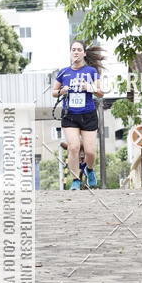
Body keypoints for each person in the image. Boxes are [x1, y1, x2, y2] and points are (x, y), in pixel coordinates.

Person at [52, 40, 105, 190]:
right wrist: (61, 91)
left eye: (79, 49)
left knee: (89, 151)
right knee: (73, 147)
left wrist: (90, 87)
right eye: (73, 49)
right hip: (70, 115)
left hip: (88, 114)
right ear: (70, 53)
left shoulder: (91, 71)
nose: (76, 52)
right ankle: (75, 180)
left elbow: (100, 92)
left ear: (84, 53)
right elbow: (53, 92)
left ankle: (89, 169)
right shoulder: (63, 72)